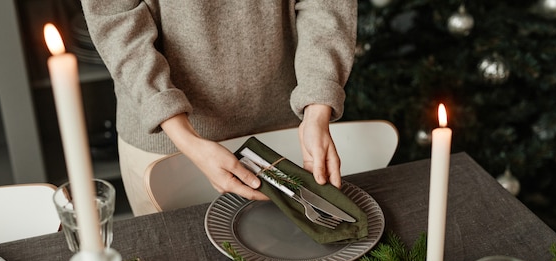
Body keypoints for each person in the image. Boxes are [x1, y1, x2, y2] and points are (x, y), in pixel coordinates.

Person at [80, 1, 358, 216]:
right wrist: (186, 137)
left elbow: (326, 7)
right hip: (168, 142)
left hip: (286, 127)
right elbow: (115, 20)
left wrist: (317, 107)